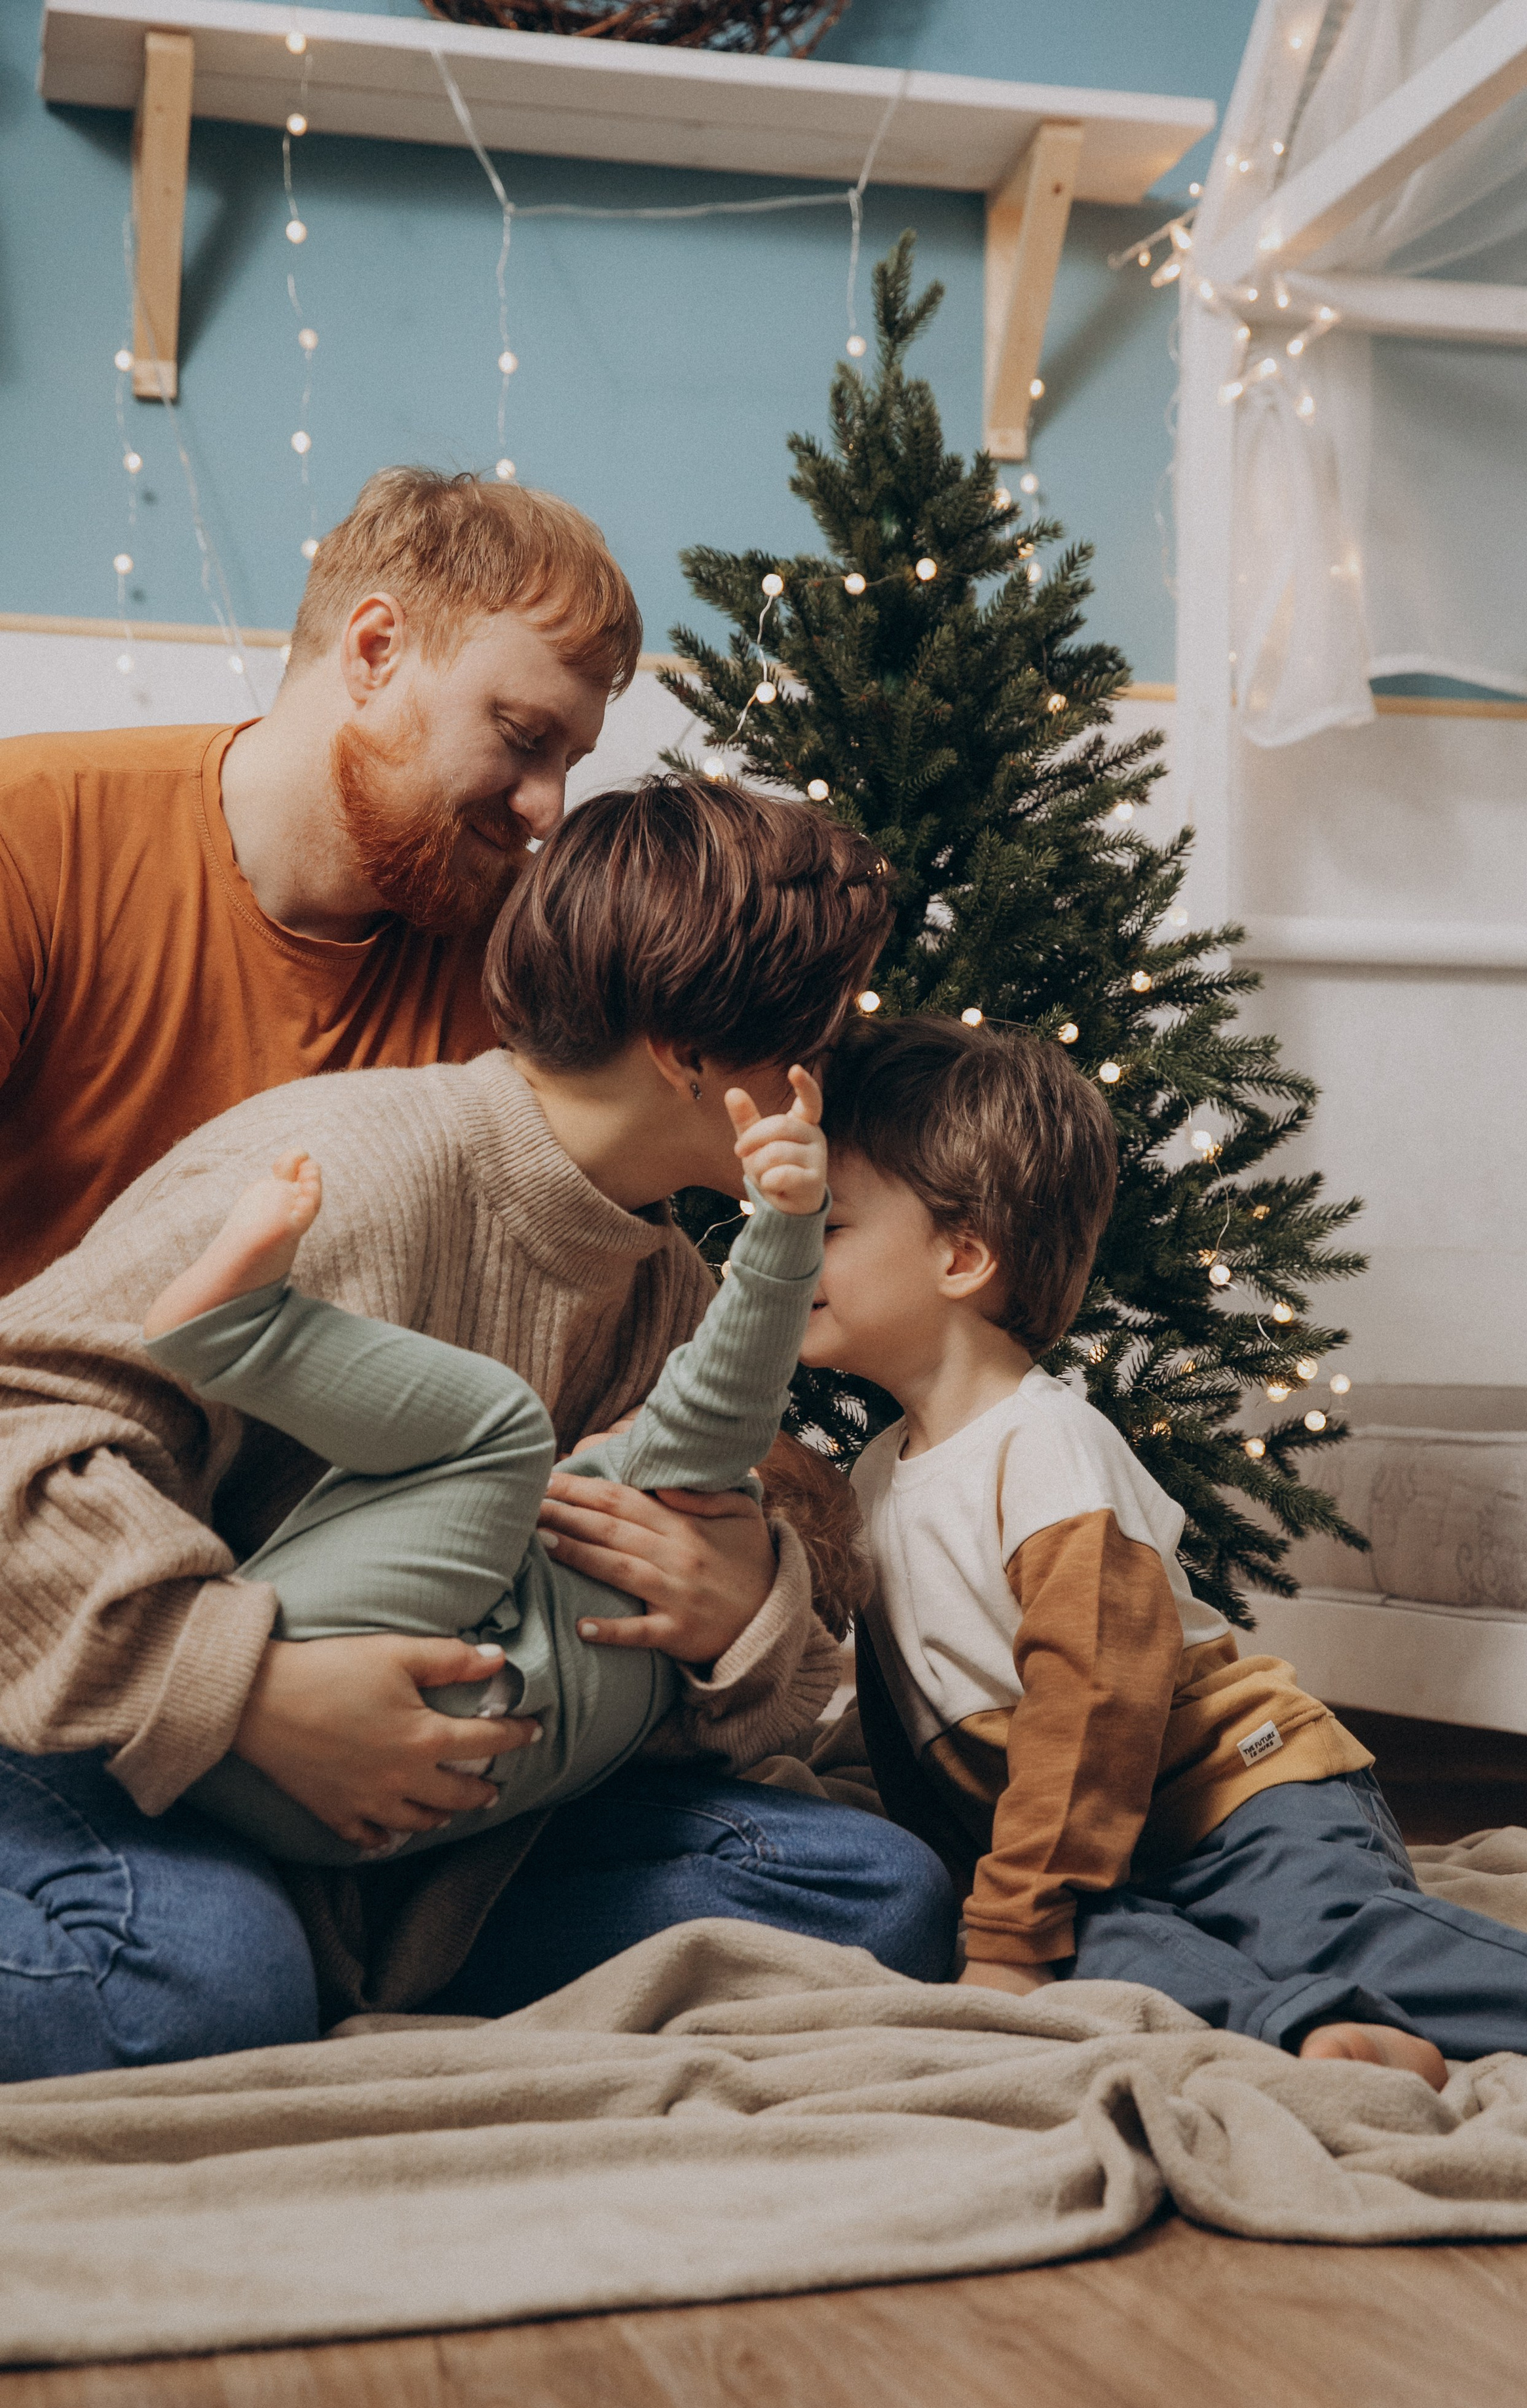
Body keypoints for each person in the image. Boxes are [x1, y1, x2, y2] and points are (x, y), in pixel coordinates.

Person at [0, 781, 954, 2081]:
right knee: (203, 1985)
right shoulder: (355, 1171)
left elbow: (635, 1689)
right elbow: (20, 1424)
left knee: (875, 1895)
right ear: (689, 1051)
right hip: (106, 1745)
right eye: (821, 1040)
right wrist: (248, 1692)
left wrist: (739, 1614)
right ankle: (258, 1960)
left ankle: (343, 1967)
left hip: (425, 1837)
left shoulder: (674, 1294)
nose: (829, 1078)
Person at [810, 1012, 1527, 2082]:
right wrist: (1002, 1915)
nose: (788, 1251)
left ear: (961, 1255)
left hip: (1247, 1796)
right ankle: (1314, 2031)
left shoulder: (1042, 1448)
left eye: (828, 1225)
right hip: (1105, 1853)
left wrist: (1011, 1929)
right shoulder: (874, 1476)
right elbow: (904, 1728)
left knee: (1337, 1933)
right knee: (1105, 1957)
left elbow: (1093, 1699)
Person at [138, 1061, 831, 1866]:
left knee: (504, 1432)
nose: (615, 1423)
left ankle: (237, 1333)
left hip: (332, 1677)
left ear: (734, 1502)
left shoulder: (665, 1492)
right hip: (370, 1822)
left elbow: (730, 1387)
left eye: (638, 1419)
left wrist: (787, 1228)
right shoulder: (649, 1699)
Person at [0, 465, 639, 1299]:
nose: (548, 810)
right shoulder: (32, 830)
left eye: (570, 763)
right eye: (523, 736)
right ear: (376, 651)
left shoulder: (520, 945)